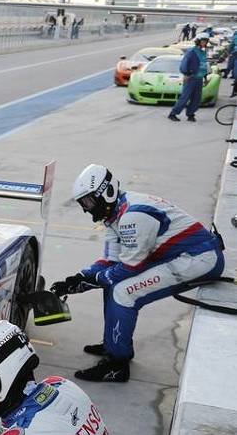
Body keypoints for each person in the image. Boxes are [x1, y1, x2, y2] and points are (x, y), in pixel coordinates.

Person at [50, 164, 223, 383]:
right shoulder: (117, 212)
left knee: (123, 293)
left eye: (89, 201)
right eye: (84, 203)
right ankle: (113, 343)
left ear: (105, 192)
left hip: (199, 259)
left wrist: (90, 281)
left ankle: (117, 365)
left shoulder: (133, 216)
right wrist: (79, 278)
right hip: (184, 255)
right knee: (112, 285)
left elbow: (130, 267)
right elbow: (110, 261)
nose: (87, 209)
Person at [168, 34, 210, 122]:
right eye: (203, 40)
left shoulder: (203, 52)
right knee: (185, 97)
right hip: (190, 78)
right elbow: (184, 64)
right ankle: (173, 113)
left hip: (199, 79)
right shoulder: (191, 52)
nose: (204, 42)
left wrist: (205, 78)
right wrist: (186, 74)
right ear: (198, 41)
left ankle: (190, 114)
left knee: (196, 99)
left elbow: (204, 66)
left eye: (206, 41)